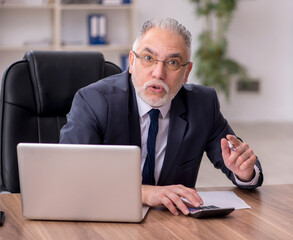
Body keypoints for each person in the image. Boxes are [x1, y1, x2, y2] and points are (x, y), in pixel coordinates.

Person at [60, 18, 263, 216]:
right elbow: (72, 176)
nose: (158, 73)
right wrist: (144, 193)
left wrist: (245, 173)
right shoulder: (94, 101)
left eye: (173, 62)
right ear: (132, 62)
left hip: (173, 225)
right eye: (148, 58)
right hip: (106, 220)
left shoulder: (202, 105)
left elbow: (240, 164)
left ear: (187, 72)